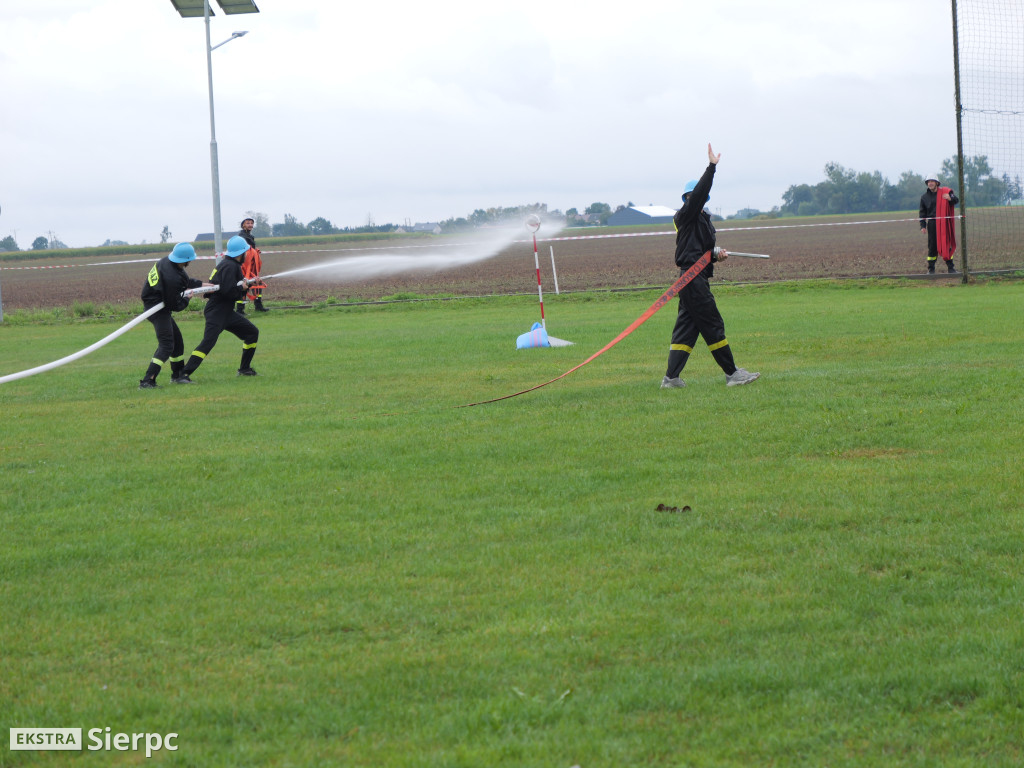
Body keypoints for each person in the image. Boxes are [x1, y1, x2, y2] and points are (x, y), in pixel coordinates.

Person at [662, 144, 760, 389]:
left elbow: (699, 251)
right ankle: (732, 374)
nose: (697, 201)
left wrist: (715, 255)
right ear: (689, 199)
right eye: (693, 197)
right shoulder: (686, 214)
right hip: (693, 281)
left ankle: (671, 379)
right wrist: (712, 168)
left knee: (686, 330)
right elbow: (697, 196)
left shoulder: (700, 221)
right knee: (713, 325)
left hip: (691, 280)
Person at [180, 236, 260, 380]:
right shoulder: (230, 266)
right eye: (246, 252)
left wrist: (249, 284)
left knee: (252, 333)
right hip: (217, 312)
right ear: (241, 253)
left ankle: (244, 369)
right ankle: (184, 374)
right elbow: (228, 292)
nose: (247, 254)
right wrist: (243, 288)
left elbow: (233, 287)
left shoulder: (229, 264)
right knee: (208, 343)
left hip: (226, 312)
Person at [138, 242, 205, 389]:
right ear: (185, 259)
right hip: (157, 309)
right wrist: (187, 299)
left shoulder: (167, 262)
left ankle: (178, 375)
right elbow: (174, 305)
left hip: (157, 306)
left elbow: (185, 281)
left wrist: (204, 285)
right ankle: (148, 380)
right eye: (190, 259)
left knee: (177, 342)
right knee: (167, 345)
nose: (191, 262)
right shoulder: (172, 277)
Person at [919, 176, 959, 274]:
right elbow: (922, 213)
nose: (930, 183)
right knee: (932, 246)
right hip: (932, 224)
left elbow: (956, 200)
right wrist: (923, 226)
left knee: (946, 244)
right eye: (928, 182)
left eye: (932, 181)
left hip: (944, 223)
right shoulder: (924, 197)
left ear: (937, 183)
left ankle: (951, 268)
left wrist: (950, 198)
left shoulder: (945, 192)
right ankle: (931, 269)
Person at [236, 217, 267, 312]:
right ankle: (240, 310)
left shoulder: (249, 236)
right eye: (248, 223)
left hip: (252, 265)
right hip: (245, 266)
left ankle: (258, 306)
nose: (250, 225)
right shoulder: (242, 236)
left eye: (251, 223)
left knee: (257, 284)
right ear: (243, 225)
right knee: (244, 286)